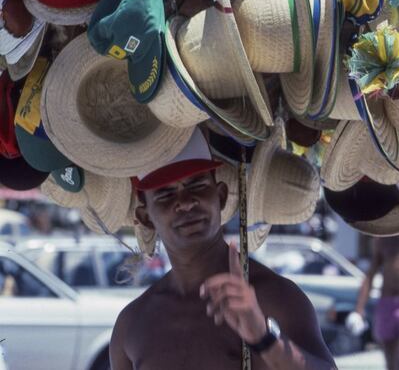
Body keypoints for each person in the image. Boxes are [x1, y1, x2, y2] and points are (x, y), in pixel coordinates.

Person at [110, 132, 336, 369]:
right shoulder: (132, 324)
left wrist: (264, 339)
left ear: (221, 196)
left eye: (196, 185)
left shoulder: (273, 297)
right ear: (145, 218)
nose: (186, 202)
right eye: (165, 194)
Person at [348, 232, 399, 370]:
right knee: (390, 362)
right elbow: (371, 274)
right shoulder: (383, 240)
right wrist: (358, 311)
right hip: (386, 303)